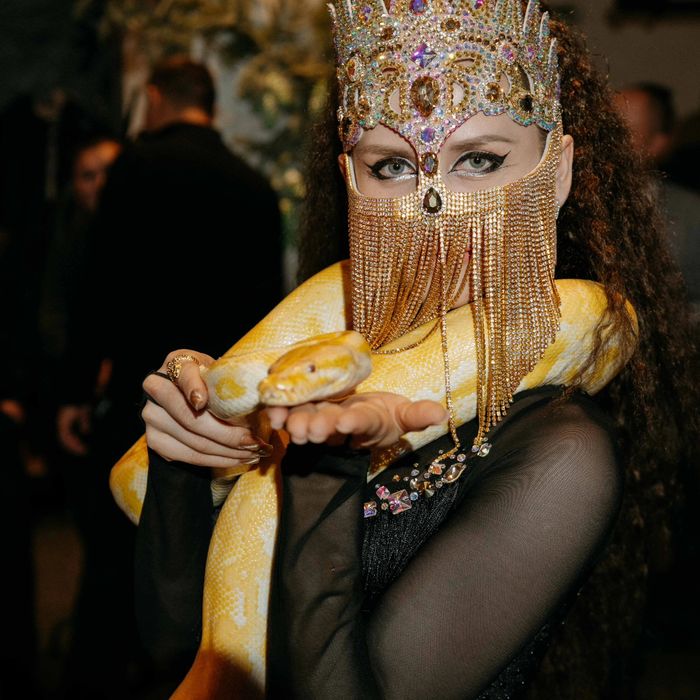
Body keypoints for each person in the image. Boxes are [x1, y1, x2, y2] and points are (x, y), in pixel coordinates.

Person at [125, 2, 698, 698]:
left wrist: (320, 465)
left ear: (557, 176)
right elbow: (176, 646)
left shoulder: (561, 453)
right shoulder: (320, 346)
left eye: (479, 161)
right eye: (393, 166)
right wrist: (183, 456)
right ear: (350, 179)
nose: (436, 211)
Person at [56, 56, 284, 698]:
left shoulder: (137, 167)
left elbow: (101, 283)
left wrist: (74, 389)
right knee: (202, 575)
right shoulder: (254, 184)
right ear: (212, 105)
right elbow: (268, 307)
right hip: (225, 417)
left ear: (155, 99)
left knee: (113, 567)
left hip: (147, 399)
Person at [614, 83, 700, 322]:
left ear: (657, 144)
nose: (607, 141)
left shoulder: (690, 215)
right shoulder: (562, 199)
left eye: (624, 132)